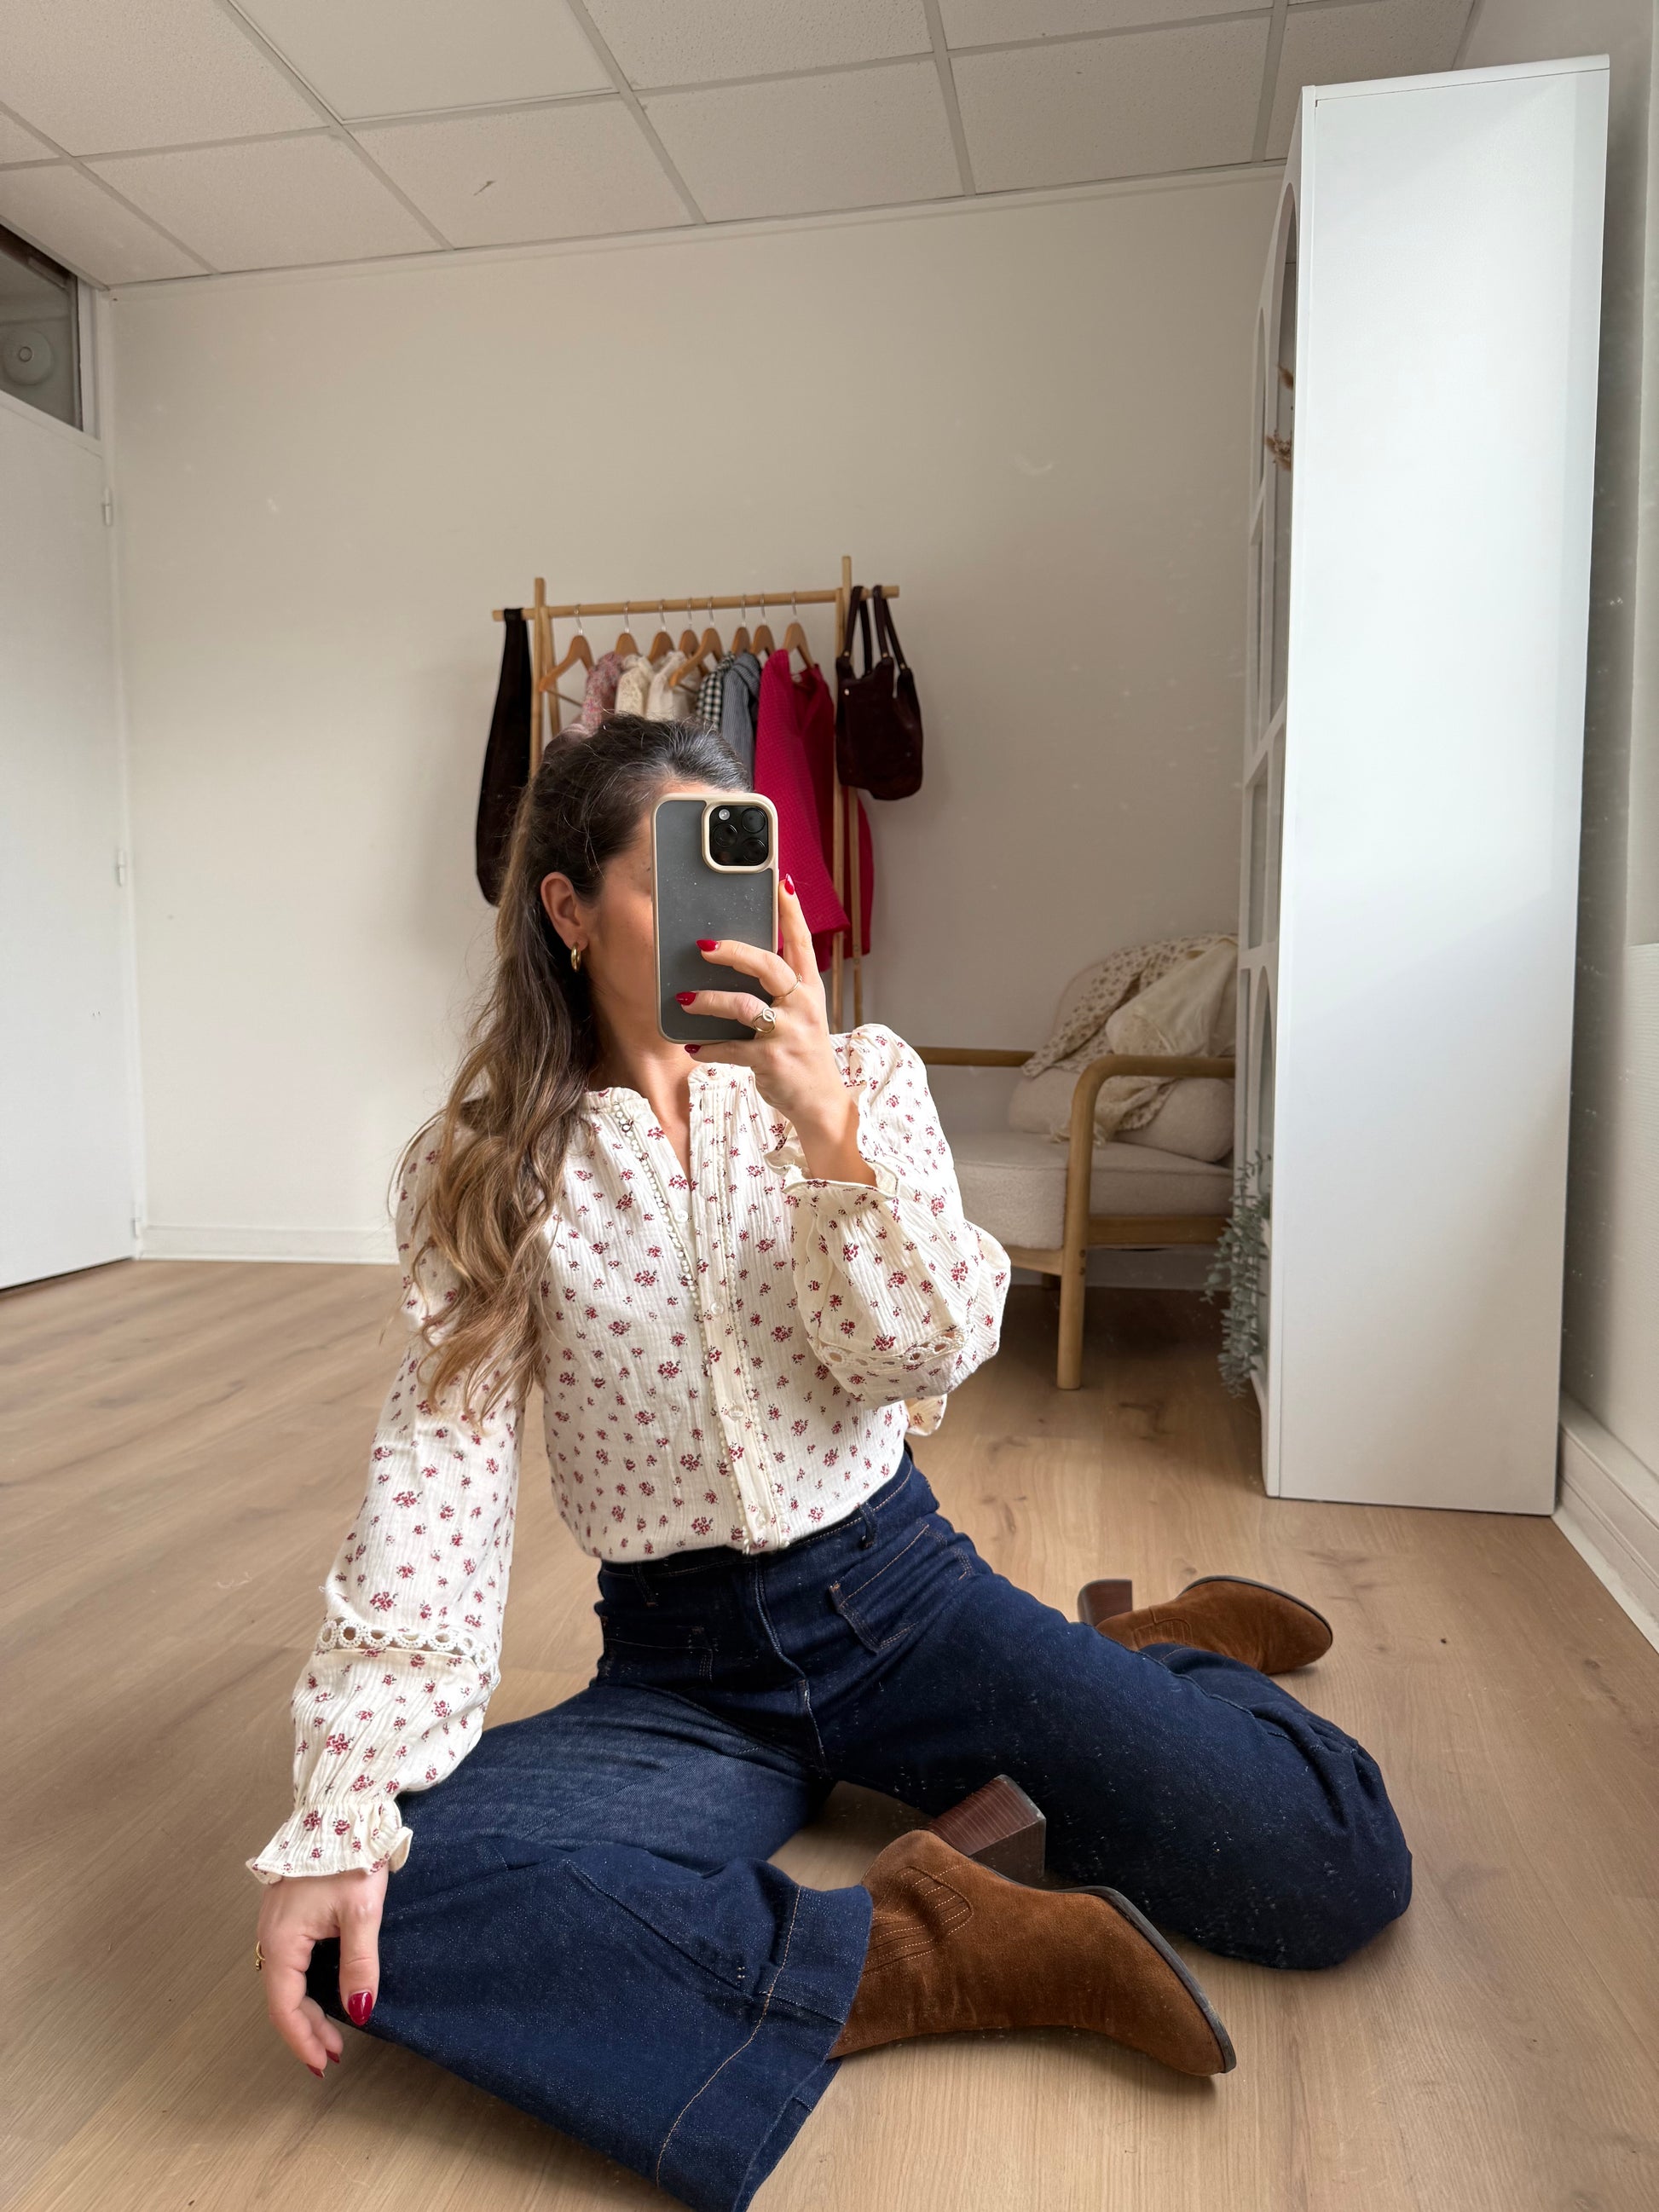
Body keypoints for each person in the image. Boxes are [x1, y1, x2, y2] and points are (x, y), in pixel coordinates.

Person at [250, 714, 1411, 2212]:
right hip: (681, 1679)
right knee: (378, 1908)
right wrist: (342, 1808)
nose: (741, 912)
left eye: (754, 871)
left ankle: (1153, 1658)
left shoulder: (861, 1076)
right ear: (567, 908)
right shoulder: (486, 1166)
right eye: (682, 874)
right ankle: (908, 1951)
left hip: (903, 1604)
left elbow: (926, 1355)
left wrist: (826, 1131)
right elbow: (435, 1485)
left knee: (1328, 1869)